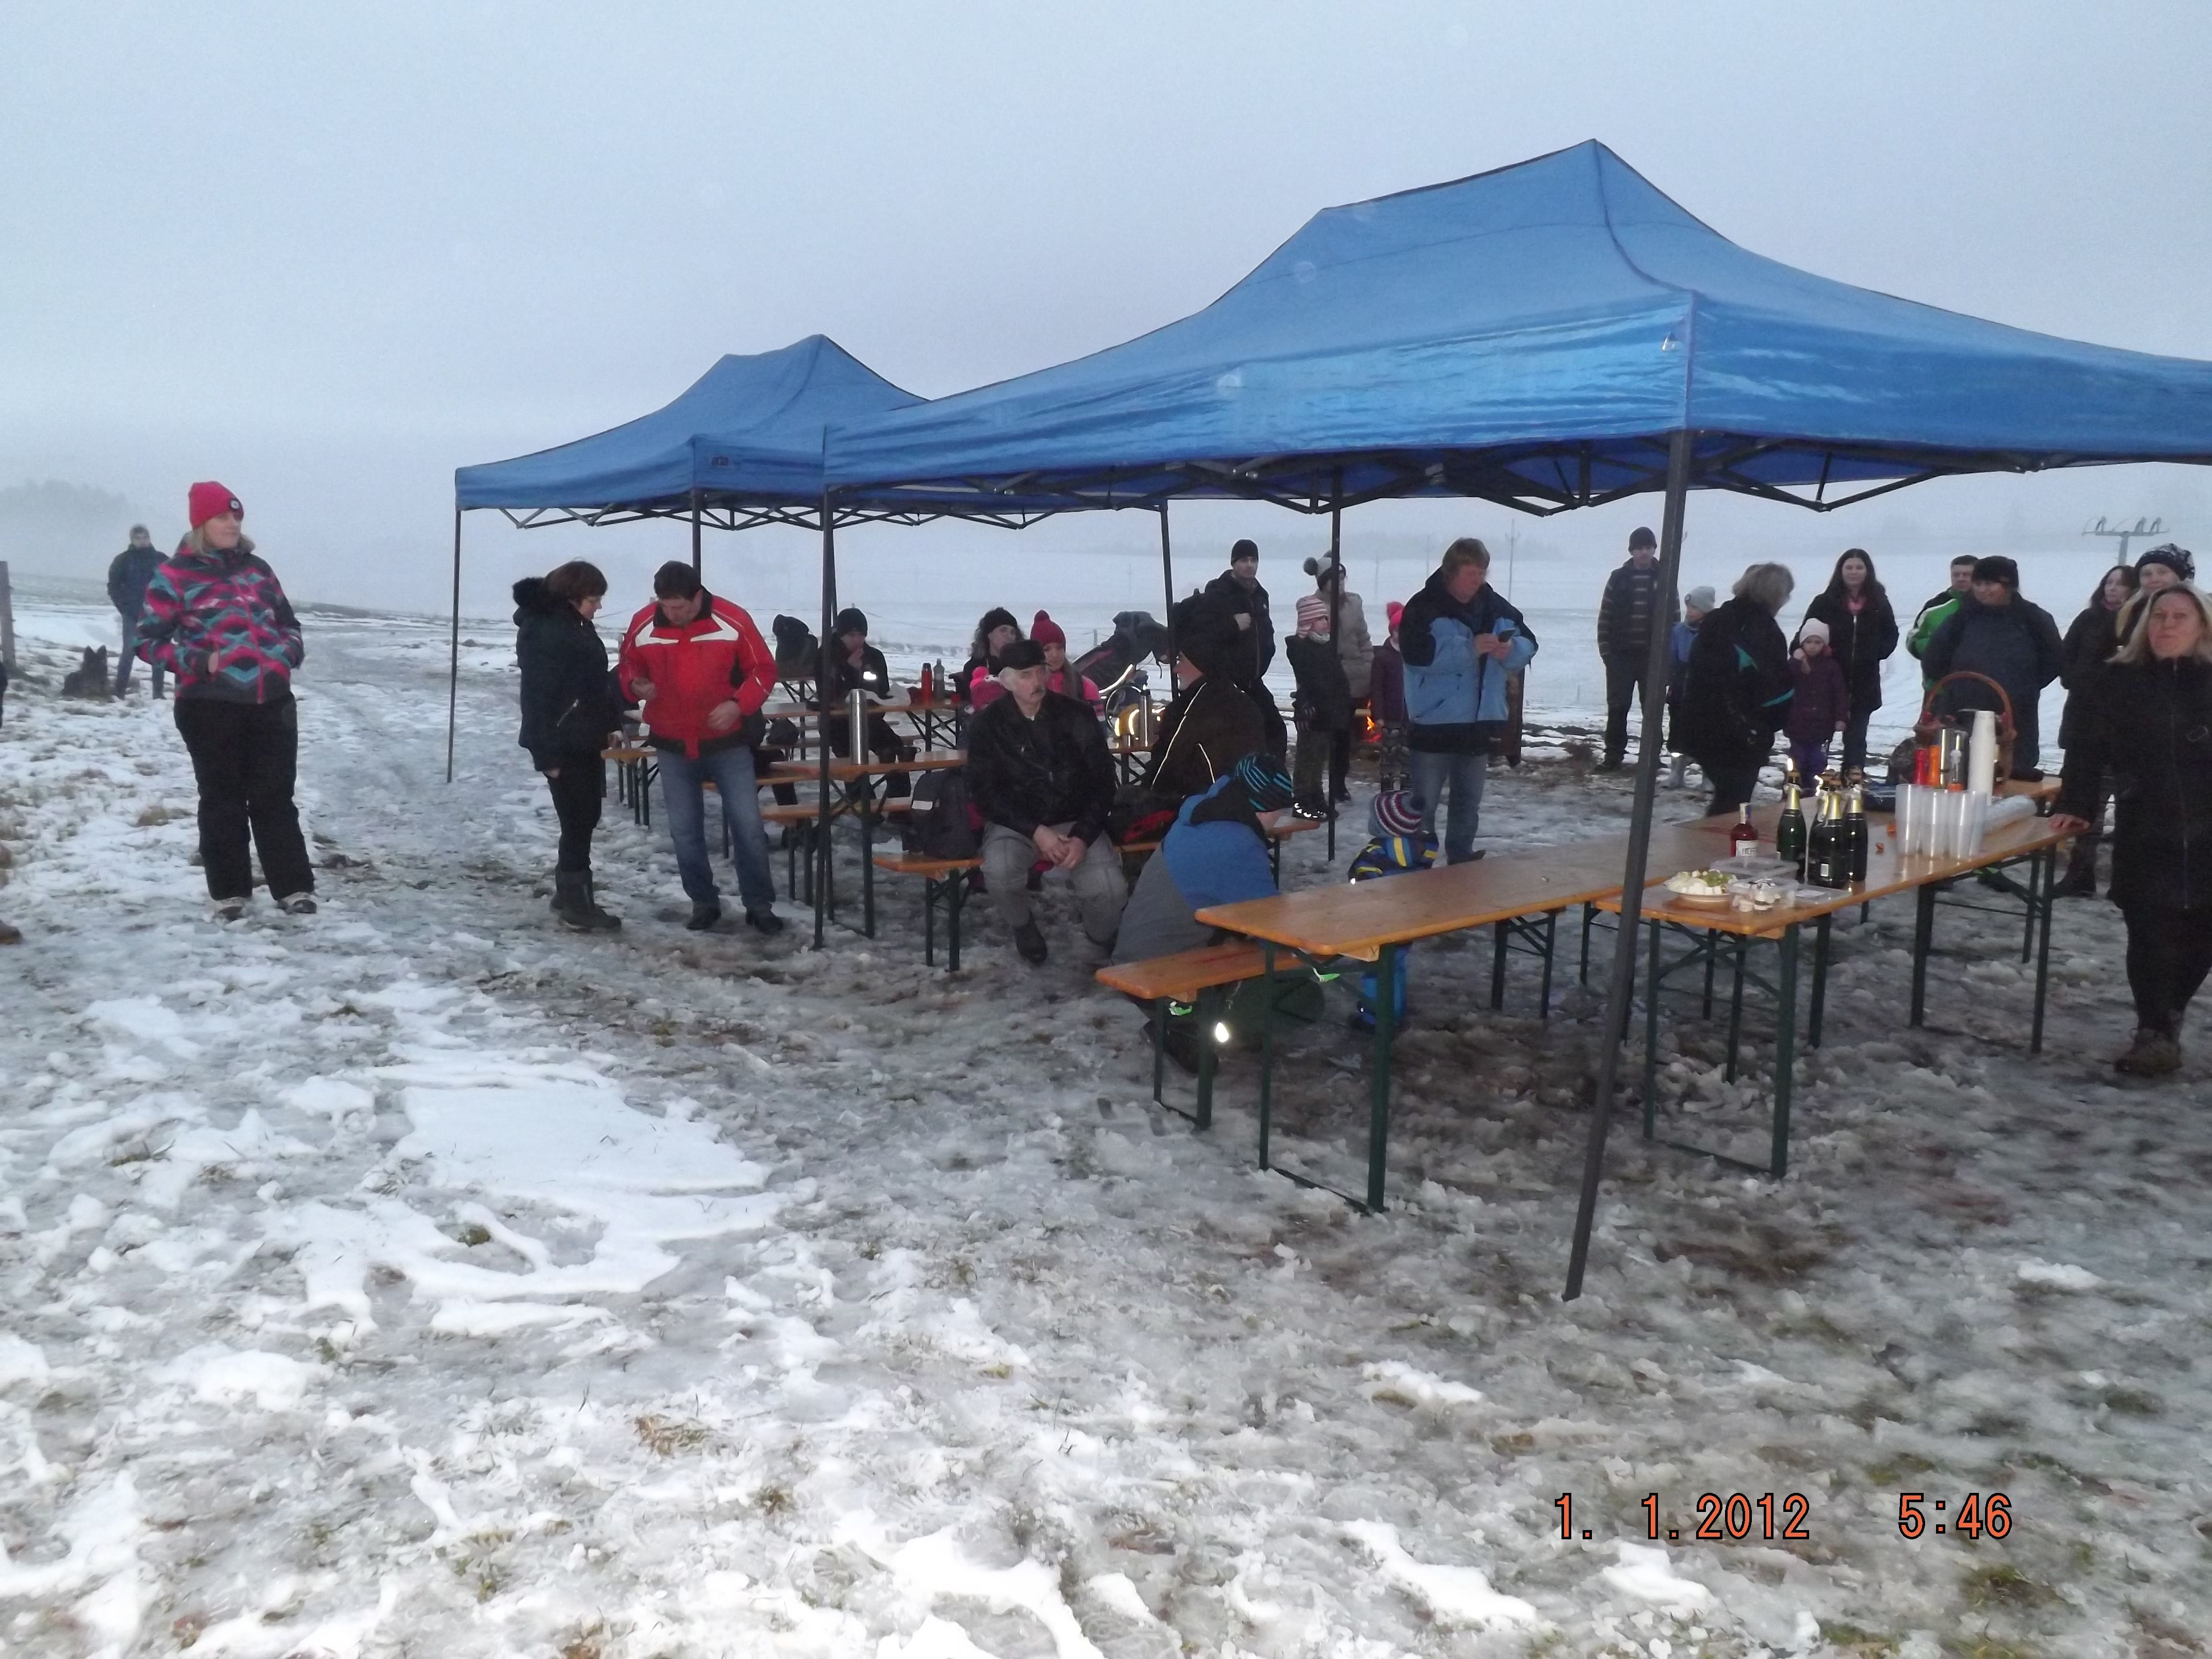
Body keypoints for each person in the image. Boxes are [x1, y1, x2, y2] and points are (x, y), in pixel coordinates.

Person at [2053, 583, 2212, 1078]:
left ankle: (2170, 1011)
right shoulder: (2118, 681)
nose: (2167, 625)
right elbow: (2086, 750)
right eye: (2159, 616)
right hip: (2147, 821)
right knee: (2149, 928)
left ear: (2202, 627)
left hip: (2208, 827)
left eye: (2180, 617)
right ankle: (2153, 1031)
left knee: (2203, 930)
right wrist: (2076, 803)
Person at [137, 482, 315, 920]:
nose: (232, 524)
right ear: (201, 523)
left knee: (275, 797)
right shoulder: (174, 575)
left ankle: (294, 888)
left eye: (236, 517)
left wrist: (286, 655)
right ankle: (230, 893)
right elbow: (146, 641)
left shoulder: (258, 570)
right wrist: (197, 661)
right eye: (222, 517)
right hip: (208, 706)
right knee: (222, 799)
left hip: (272, 702)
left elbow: (288, 623)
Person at [617, 561, 783, 935]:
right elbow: (628, 664)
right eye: (665, 606)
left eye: (678, 607)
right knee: (684, 830)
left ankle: (759, 905)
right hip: (671, 743)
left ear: (697, 597)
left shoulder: (733, 619)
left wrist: (738, 705)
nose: (671, 614)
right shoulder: (644, 622)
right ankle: (704, 903)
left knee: (748, 826)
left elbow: (763, 670)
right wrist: (636, 684)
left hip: (728, 744)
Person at [966, 640, 1126, 963]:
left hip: (1075, 819)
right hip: (1017, 824)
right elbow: (985, 794)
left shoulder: (1077, 716)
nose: (1037, 682)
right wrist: (1036, 831)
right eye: (1026, 675)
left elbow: (1103, 782)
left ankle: (1099, 935)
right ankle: (1021, 923)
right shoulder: (987, 725)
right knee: (999, 871)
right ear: (1006, 681)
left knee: (1111, 890)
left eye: (1040, 672)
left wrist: (1082, 836)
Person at [1397, 537, 1538, 863]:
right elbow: (1416, 657)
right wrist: (1469, 649)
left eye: (1482, 573)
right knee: (1423, 804)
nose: (1477, 581)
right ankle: (1417, 861)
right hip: (1433, 722)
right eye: (1471, 573)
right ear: (1451, 572)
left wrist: (1510, 651)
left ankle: (1461, 859)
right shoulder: (1423, 607)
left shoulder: (1496, 607)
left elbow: (1529, 643)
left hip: (1478, 721)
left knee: (1468, 802)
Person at [514, 561, 625, 931]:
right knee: (578, 820)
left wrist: (610, 723)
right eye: (593, 599)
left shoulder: (574, 625)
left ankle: (568, 893)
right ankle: (577, 904)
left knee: (585, 816)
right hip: (563, 742)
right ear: (572, 597)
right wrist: (546, 754)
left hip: (583, 737)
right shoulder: (546, 632)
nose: (599, 606)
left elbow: (593, 685)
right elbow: (536, 698)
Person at [1130, 593, 1273, 831]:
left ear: (1200, 664)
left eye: (1181, 660)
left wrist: (1142, 801)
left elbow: (1164, 767)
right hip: (1248, 805)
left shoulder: (1191, 708)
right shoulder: (1244, 701)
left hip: (1204, 811)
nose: (1175, 669)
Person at [1921, 556, 2064, 775]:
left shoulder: (2033, 618)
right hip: (1961, 710)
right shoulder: (1961, 618)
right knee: (1956, 769)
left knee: (2010, 774)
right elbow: (1934, 658)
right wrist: (1957, 687)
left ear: (2008, 585)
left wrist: (2024, 687)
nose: (1982, 590)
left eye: (1989, 584)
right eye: (1978, 584)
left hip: (2013, 713)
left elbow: (2054, 659)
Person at [1677, 562, 1796, 816]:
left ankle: (1713, 837)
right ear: (1776, 594)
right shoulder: (1764, 630)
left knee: (1727, 799)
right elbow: (1775, 689)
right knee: (1733, 804)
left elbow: (1698, 670)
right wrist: (1772, 722)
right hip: (1739, 733)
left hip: (1699, 724)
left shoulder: (1717, 619)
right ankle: (1718, 840)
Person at [2055, 563, 2141, 896]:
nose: (2113, 588)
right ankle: (2081, 873)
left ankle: (2125, 880)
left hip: (2125, 730)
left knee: (2130, 808)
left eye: (2121, 584)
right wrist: (2079, 679)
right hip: (2085, 725)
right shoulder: (2088, 619)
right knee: (2085, 803)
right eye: (2109, 582)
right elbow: (2066, 660)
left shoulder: (2141, 622)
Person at [1347, 789, 1438, 1032]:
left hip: (1377, 923)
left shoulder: (1374, 856)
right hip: (1408, 920)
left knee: (1376, 971)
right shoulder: (1424, 849)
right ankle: (1397, 1011)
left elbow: (1363, 889)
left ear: (1382, 826)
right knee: (1396, 965)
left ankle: (1378, 1020)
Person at [1802, 548, 1898, 775]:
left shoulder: (1879, 602)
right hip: (1828, 681)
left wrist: (1874, 653)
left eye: (1859, 567)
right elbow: (1805, 633)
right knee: (1820, 737)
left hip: (1864, 683)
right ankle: (1812, 780)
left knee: (1856, 739)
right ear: (1841, 571)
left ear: (1867, 571)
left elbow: (1891, 634)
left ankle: (1853, 781)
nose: (1854, 572)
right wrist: (1808, 654)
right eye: (1849, 567)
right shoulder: (1824, 602)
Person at [1595, 526, 1680, 772]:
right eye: (1639, 548)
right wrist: (1607, 654)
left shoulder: (1665, 578)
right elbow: (1605, 617)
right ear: (1631, 551)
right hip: (1620, 656)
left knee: (1652, 708)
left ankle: (1652, 758)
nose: (1644, 552)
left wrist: (1668, 658)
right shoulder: (1618, 578)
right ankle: (1613, 757)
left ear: (1654, 550)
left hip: (1652, 658)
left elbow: (1674, 620)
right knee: (1618, 707)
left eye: (1648, 548)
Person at [821, 607, 916, 793]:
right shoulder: (826, 657)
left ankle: (899, 802)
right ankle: (862, 802)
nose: (857, 640)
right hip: (838, 725)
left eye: (861, 635)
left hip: (871, 721)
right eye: (851, 635)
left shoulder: (874, 656)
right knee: (853, 763)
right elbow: (828, 694)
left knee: (896, 751)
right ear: (841, 635)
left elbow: (882, 690)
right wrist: (849, 670)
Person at [1285, 581, 1353, 817]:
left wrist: (1343, 702)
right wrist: (1312, 704)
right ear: (1308, 622)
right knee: (1308, 758)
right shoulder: (1301, 647)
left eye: (1326, 618)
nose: (1326, 623)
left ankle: (1316, 796)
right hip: (1313, 712)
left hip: (1329, 712)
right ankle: (1301, 800)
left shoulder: (1327, 646)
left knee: (1320, 758)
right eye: (1320, 619)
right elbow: (1311, 680)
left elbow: (1337, 679)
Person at [1784, 617, 1849, 781]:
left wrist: (1841, 717)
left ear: (1824, 644)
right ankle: (1793, 788)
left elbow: (1839, 694)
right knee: (1797, 760)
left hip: (1822, 725)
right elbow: (1785, 682)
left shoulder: (1831, 667)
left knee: (1817, 761)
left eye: (1818, 642)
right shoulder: (1795, 664)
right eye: (1809, 642)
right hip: (1798, 723)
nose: (1813, 646)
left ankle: (1813, 789)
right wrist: (1796, 662)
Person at [106, 525, 167, 698]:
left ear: (149, 538)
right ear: (132, 540)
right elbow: (113, 587)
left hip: (157, 615)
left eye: (145, 537)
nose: (142, 541)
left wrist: (168, 607)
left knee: (158, 652)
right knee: (128, 652)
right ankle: (119, 692)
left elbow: (174, 582)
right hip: (132, 615)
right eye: (138, 538)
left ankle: (158, 694)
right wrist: (124, 607)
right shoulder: (123, 560)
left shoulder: (161, 559)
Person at [1203, 539, 1274, 686]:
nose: (1249, 565)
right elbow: (1206, 634)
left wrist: (1269, 649)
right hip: (1225, 680)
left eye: (1253, 560)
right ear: (1233, 563)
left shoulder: (1261, 595)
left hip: (1254, 679)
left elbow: (1267, 631)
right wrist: (1233, 625)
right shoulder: (1218, 592)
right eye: (1244, 560)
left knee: (1268, 703)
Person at [1665, 584, 1715, 788]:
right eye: (1689, 607)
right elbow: (1671, 658)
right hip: (1680, 688)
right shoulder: (1678, 631)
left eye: (1695, 607)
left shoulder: (1715, 631)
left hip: (1705, 688)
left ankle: (1708, 776)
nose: (1690, 611)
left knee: (1706, 733)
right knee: (1677, 731)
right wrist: (1670, 682)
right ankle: (1677, 772)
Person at [1907, 556, 1979, 679]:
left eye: (1967, 575)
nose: (1961, 579)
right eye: (1956, 575)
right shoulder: (1934, 606)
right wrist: (1934, 648)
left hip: (1983, 682)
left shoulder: (1990, 605)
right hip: (1940, 684)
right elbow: (1914, 640)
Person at [2113, 543, 2195, 643]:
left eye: (2162, 572)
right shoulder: (2127, 614)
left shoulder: (2197, 611)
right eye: (2147, 574)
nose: (2154, 579)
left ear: (2178, 577)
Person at [1371, 601, 1408, 792]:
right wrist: (1378, 715)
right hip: (1390, 716)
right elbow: (1376, 688)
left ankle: (1406, 790)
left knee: (1408, 755)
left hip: (1411, 716)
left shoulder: (1414, 655)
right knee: (1389, 753)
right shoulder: (1383, 657)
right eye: (1399, 630)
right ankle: (1386, 788)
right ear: (1393, 631)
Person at [1031, 612, 1103, 711]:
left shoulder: (1085, 686)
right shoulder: (1025, 688)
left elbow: (1098, 720)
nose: (1055, 655)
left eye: (1059, 648)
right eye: (1047, 649)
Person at [959, 607, 1022, 710]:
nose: (1009, 636)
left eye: (1013, 632)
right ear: (989, 635)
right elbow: (968, 703)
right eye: (1003, 630)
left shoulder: (1020, 665)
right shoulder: (974, 667)